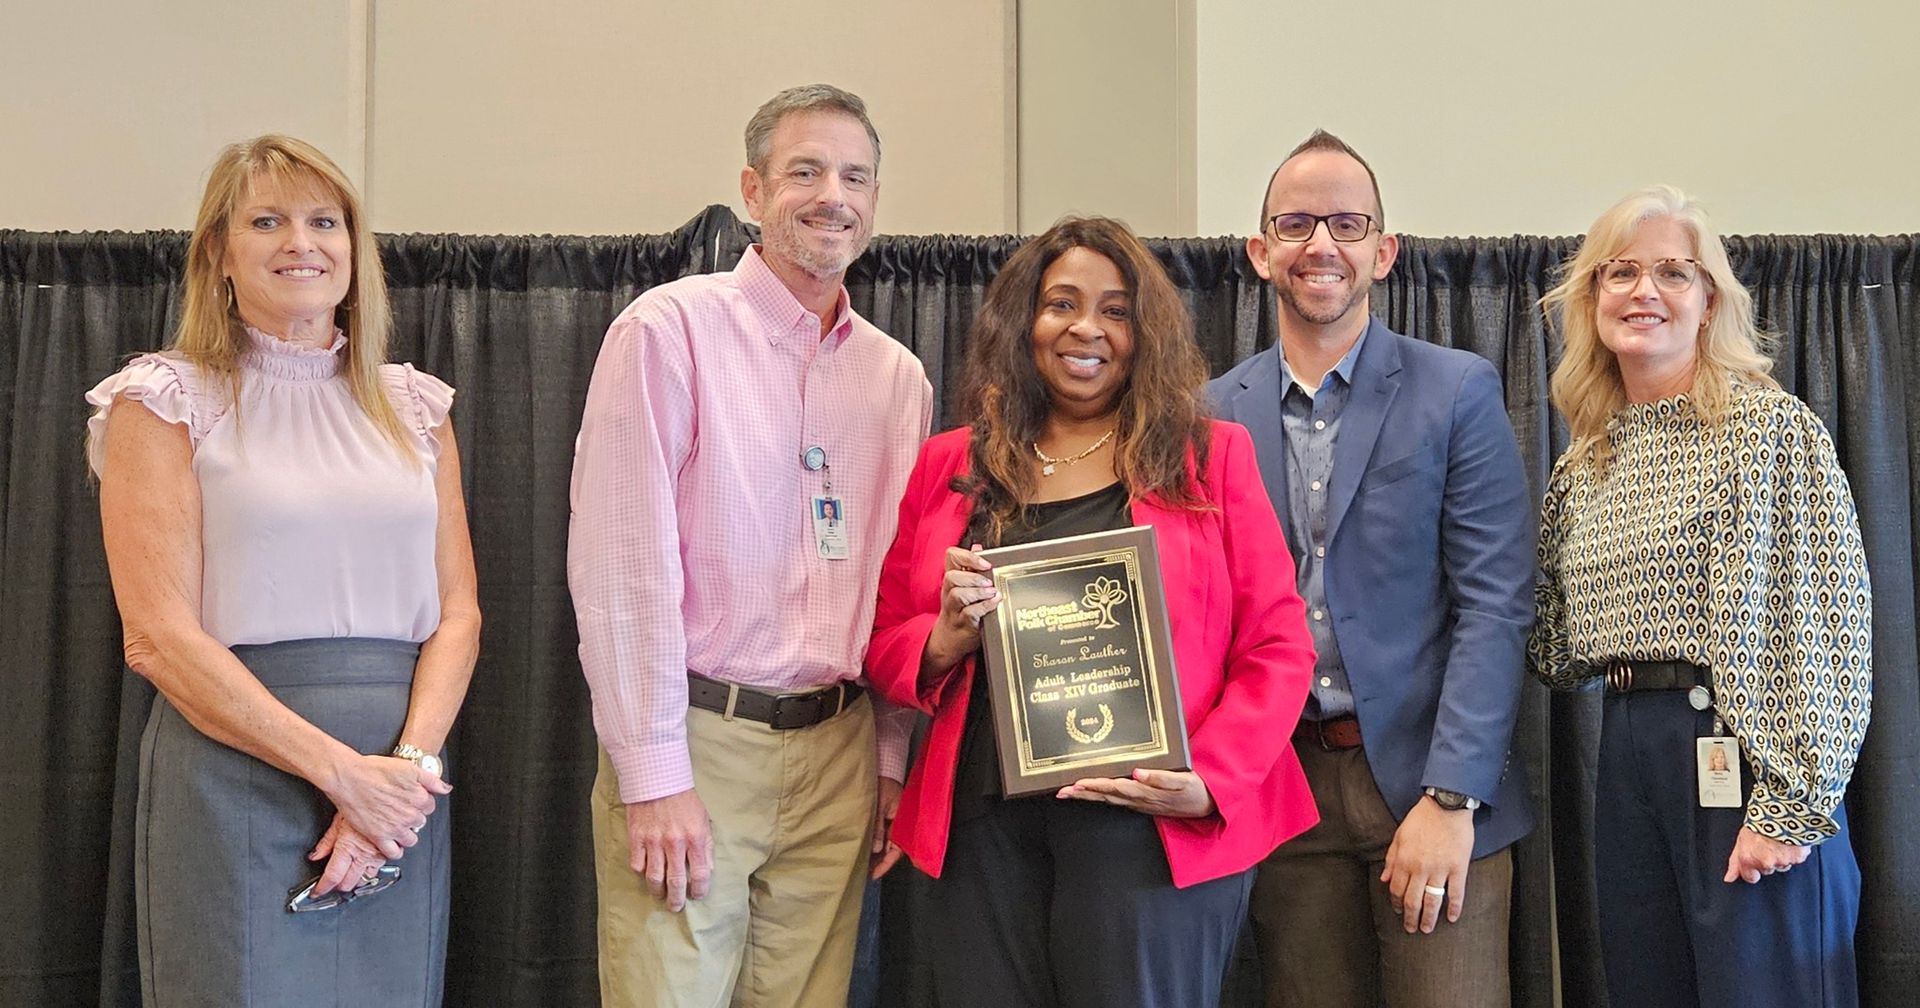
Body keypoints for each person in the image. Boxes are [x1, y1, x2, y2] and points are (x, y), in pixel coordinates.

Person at [866, 215, 1318, 1008]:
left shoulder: (1210, 458)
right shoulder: (950, 462)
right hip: (982, 829)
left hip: (1147, 826)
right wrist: (943, 638)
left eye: (1115, 310)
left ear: (1145, 333)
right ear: (1024, 322)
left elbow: (1279, 647)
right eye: (1061, 303)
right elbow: (886, 642)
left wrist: (1208, 780)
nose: (1087, 328)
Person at [86, 134, 478, 1005]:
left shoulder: (416, 406)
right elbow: (158, 638)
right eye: (267, 221)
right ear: (219, 255)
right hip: (238, 774)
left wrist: (399, 780)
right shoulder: (162, 401)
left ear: (354, 248)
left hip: (399, 788)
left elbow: (459, 616)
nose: (301, 242)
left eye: (323, 221)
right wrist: (343, 778)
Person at [568, 83, 932, 1008]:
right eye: (804, 170)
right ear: (753, 190)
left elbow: (898, 590)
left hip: (841, 750)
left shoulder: (898, 379)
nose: (831, 195)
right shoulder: (668, 332)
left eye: (854, 176)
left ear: (876, 201)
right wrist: (652, 777)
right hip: (697, 741)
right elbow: (621, 573)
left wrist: (889, 758)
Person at [1208, 130, 1536, 1007]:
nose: (1322, 245)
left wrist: (1452, 796)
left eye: (1348, 224)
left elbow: (1496, 608)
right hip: (1284, 793)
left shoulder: (1458, 389)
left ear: (1384, 252)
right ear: (1259, 251)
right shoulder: (1209, 415)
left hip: (1433, 787)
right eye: (1298, 223)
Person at [1531, 185, 1871, 1007]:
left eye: (1673, 272)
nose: (1644, 291)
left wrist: (1790, 802)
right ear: (1591, 300)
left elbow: (1829, 621)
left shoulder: (1770, 430)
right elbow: (1554, 650)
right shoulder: (1587, 464)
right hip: (1627, 754)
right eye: (1621, 272)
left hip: (1744, 751)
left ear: (1710, 300)